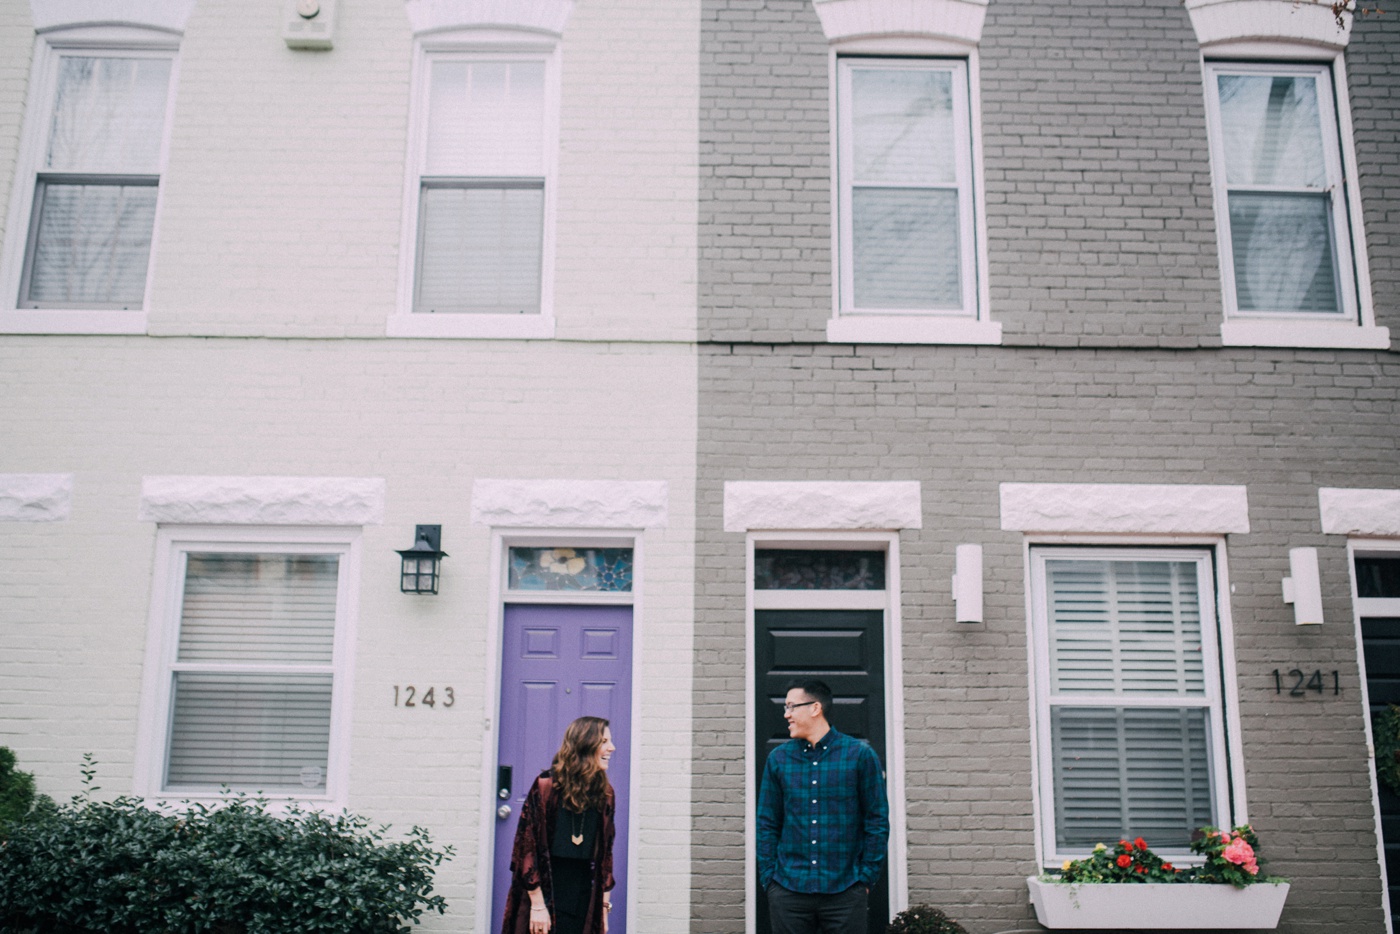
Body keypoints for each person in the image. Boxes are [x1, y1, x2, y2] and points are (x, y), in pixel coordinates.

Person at [757, 679, 889, 934]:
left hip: (845, 891)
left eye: (791, 707)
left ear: (815, 708)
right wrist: (769, 878)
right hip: (788, 889)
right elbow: (767, 822)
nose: (786, 714)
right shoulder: (779, 759)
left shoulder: (859, 756)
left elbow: (877, 820)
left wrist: (865, 878)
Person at [501, 716, 618, 934]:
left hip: (583, 895)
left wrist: (603, 910)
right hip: (543, 893)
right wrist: (537, 905)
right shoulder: (546, 787)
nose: (612, 748)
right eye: (604, 741)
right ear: (584, 744)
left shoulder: (606, 794)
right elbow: (526, 848)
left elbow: (606, 858)